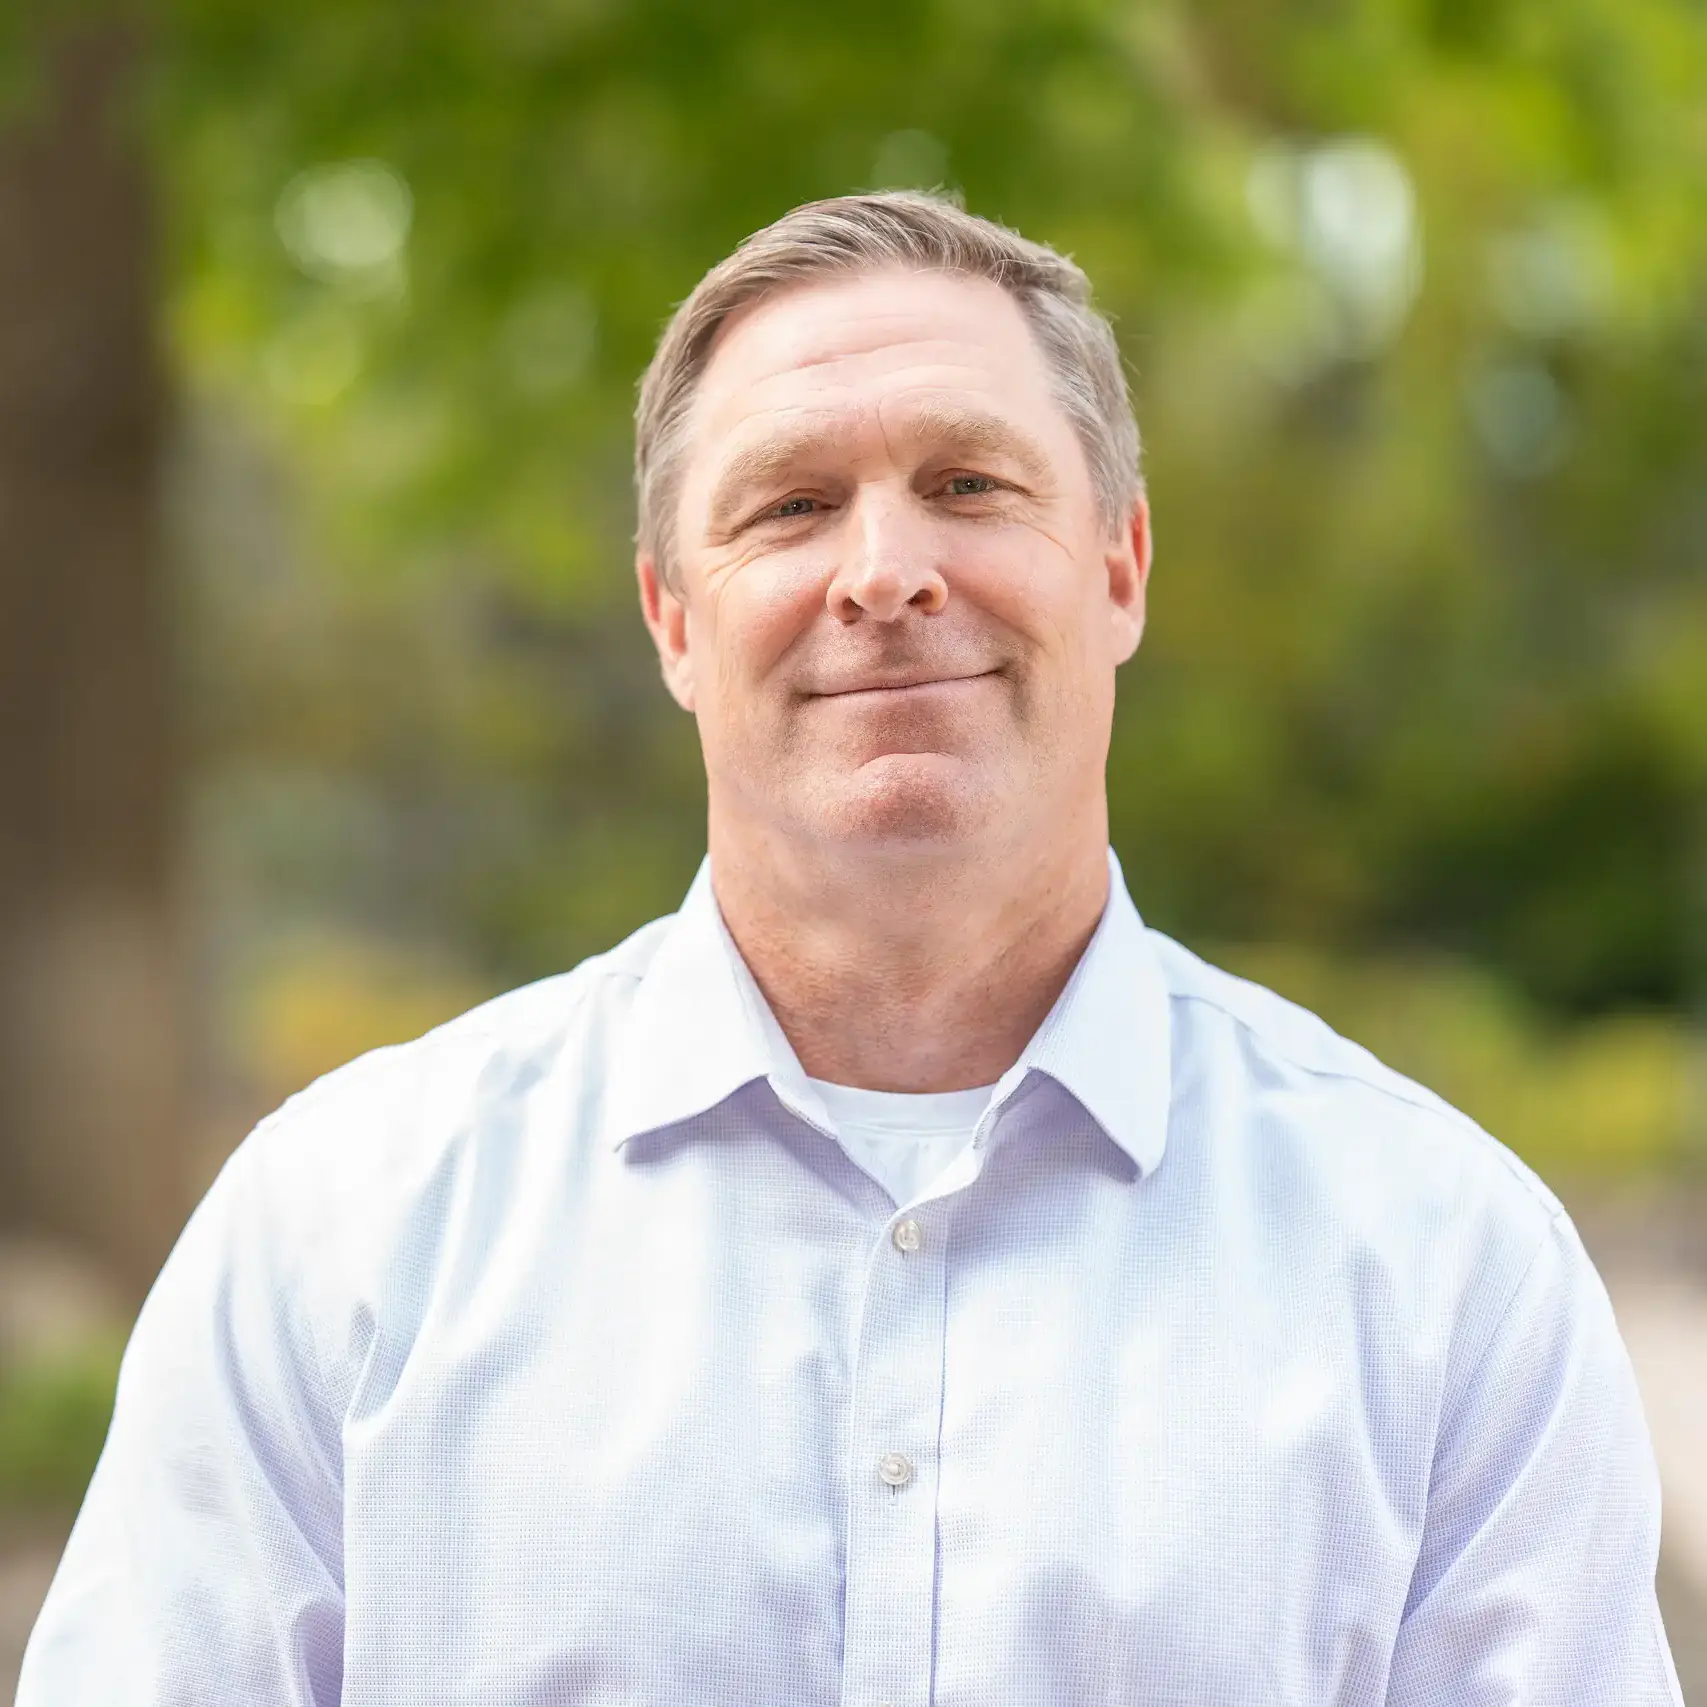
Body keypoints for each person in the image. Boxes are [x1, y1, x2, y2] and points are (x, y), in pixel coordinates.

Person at [20, 190, 1683, 1706]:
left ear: (1116, 564)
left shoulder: (1443, 1266)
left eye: (966, 483)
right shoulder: (339, 1239)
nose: (883, 573)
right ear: (675, 617)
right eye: (793, 505)